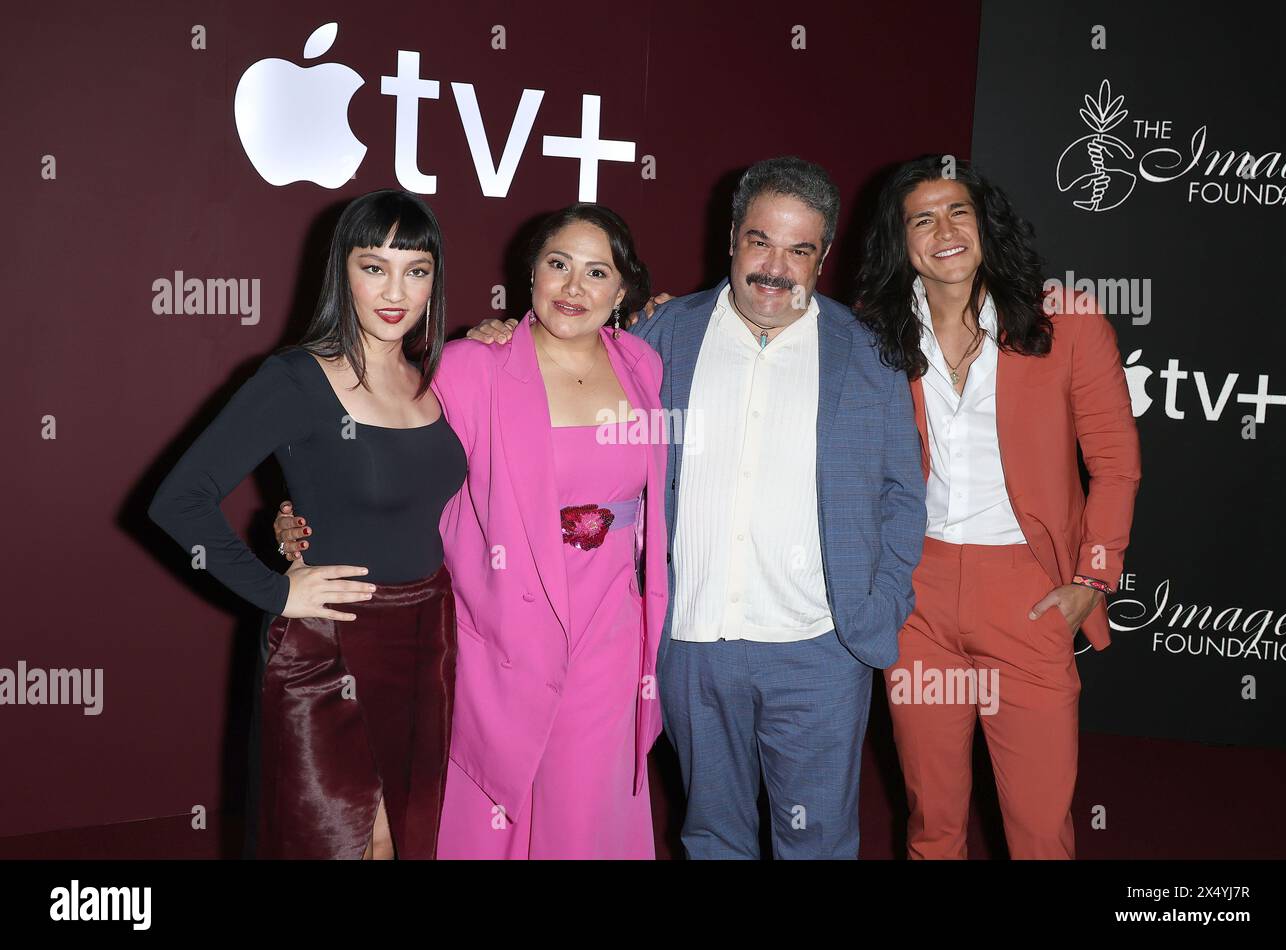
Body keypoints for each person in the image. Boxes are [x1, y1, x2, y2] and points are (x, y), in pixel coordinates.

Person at [467, 157, 928, 859]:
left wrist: (881, 602)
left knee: (822, 842)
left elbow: (903, 490)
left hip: (820, 649)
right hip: (689, 643)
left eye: (799, 250)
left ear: (823, 255)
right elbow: (560, 365)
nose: (775, 267)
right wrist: (497, 335)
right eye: (760, 242)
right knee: (712, 836)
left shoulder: (868, 354)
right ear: (732, 236)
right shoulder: (660, 340)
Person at [278, 203, 667, 858]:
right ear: (531, 274)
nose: (574, 289)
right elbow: (383, 459)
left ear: (622, 290)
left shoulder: (641, 364)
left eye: (597, 273)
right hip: (500, 629)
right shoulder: (470, 366)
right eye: (558, 265)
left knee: (584, 812)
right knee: (492, 806)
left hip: (609, 632)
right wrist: (298, 517)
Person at [149, 189, 466, 859]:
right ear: (341, 271)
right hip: (328, 646)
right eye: (373, 265)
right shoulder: (296, 377)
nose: (395, 288)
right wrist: (275, 591)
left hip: (426, 644)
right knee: (346, 841)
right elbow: (179, 499)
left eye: (416, 268)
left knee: (405, 841)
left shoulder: (434, 379)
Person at [854, 155, 1140, 859]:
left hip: (1029, 595)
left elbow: (1115, 462)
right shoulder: (871, 336)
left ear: (987, 225)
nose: (944, 230)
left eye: (960, 212)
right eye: (922, 218)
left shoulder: (1064, 319)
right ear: (902, 239)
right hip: (915, 596)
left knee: (1040, 830)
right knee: (933, 823)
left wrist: (1093, 579)